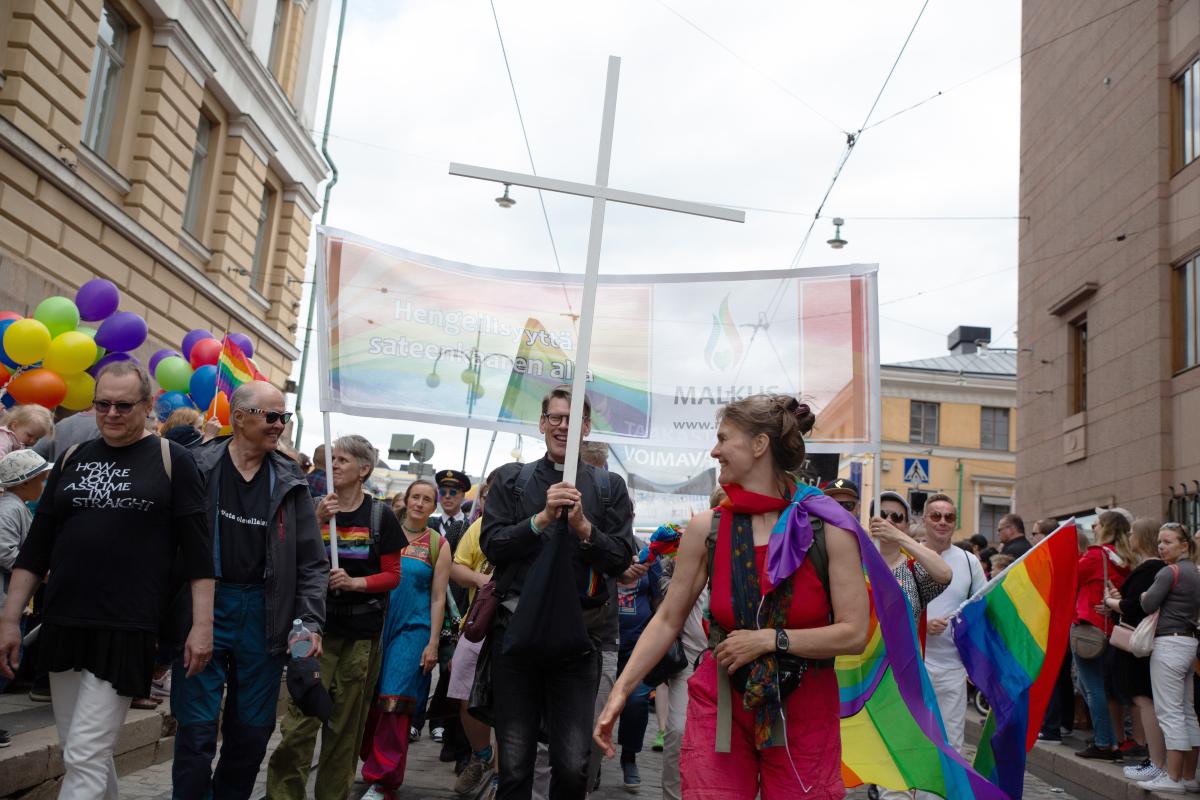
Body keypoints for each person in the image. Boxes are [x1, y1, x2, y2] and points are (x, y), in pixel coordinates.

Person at [595, 394, 869, 799]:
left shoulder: (830, 528)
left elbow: (854, 633)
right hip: (721, 699)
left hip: (804, 705)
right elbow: (669, 619)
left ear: (759, 445)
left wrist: (771, 639)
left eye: (724, 438)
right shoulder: (707, 529)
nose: (714, 450)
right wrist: (620, 691)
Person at [0, 361, 215, 797]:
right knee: (82, 750)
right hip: (63, 620)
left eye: (123, 405)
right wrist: (8, 621)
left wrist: (202, 626)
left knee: (84, 754)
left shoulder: (175, 461)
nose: (112, 414)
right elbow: (36, 547)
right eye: (102, 404)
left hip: (127, 627)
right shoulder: (71, 457)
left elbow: (198, 556)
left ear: (148, 405)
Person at [171, 381, 328, 798]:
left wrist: (308, 622)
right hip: (205, 606)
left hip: (265, 613)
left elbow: (313, 563)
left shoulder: (291, 480)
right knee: (196, 732)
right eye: (271, 416)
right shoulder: (197, 465)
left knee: (251, 733)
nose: (280, 425)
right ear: (239, 417)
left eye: (284, 417)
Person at [483, 386, 636, 799]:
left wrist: (585, 528)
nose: (563, 426)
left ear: (587, 427)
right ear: (542, 423)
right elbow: (493, 546)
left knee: (572, 767)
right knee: (514, 767)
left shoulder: (608, 487)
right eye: (555, 417)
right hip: (515, 638)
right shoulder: (511, 480)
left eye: (573, 419)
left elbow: (622, 560)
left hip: (579, 643)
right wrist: (541, 519)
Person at [266, 435, 404, 799]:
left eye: (343, 460)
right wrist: (314, 519)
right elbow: (285, 557)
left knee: (344, 728)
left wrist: (356, 582)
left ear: (364, 469)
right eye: (332, 459)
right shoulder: (312, 506)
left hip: (360, 636)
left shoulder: (380, 516)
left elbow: (393, 575)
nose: (335, 465)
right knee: (298, 725)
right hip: (311, 631)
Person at [360, 478, 451, 799]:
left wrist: (433, 643)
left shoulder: (438, 544)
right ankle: (370, 762)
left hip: (413, 630)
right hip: (373, 625)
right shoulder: (384, 532)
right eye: (415, 497)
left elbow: (439, 597)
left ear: (433, 505)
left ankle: (383, 779)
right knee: (365, 701)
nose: (420, 503)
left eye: (427, 499)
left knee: (394, 703)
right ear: (406, 499)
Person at [867, 491, 951, 800]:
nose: (888, 521)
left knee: (900, 778)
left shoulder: (914, 569)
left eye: (897, 517)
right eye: (883, 515)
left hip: (902, 681)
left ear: (905, 524)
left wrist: (903, 540)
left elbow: (944, 574)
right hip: (860, 678)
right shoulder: (854, 562)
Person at [1123, 522, 1200, 793]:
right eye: (1160, 541)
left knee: (1170, 712)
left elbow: (1146, 603)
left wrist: (1145, 594)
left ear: (1184, 546)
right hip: (1189, 643)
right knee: (1187, 711)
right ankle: (1189, 776)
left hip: (1168, 644)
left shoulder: (1170, 572)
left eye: (1168, 542)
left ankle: (1174, 778)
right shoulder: (1196, 572)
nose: (1162, 546)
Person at [1102, 518, 1167, 782]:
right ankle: (1156, 760)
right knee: (1145, 701)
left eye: (1133, 533)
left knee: (1144, 700)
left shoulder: (1149, 569)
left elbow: (1136, 606)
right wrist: (1119, 600)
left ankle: (1157, 761)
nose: (1129, 536)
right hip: (1145, 643)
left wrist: (1111, 601)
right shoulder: (1153, 569)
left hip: (1139, 646)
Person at [921, 494, 987, 754]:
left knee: (951, 744)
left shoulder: (970, 562)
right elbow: (890, 611)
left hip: (954, 668)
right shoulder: (909, 555)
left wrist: (976, 661)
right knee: (916, 741)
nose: (942, 522)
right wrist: (922, 625)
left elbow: (982, 606)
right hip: (916, 665)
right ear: (925, 519)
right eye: (936, 516)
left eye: (948, 517)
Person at [448, 470, 500, 797]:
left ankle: (504, 775)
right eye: (489, 494)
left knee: (512, 704)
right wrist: (481, 581)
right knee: (464, 695)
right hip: (476, 625)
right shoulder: (478, 528)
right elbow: (456, 566)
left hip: (515, 631)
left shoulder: (535, 528)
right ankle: (482, 756)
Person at [0, 448, 53, 747]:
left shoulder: (17, 506)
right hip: (4, 601)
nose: (43, 485)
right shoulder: (10, 509)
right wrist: (36, 570)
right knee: (5, 662)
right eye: (40, 479)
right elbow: (4, 549)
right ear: (23, 483)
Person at [1071, 509, 1133, 761]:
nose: (1093, 529)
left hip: (1088, 627)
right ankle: (1111, 740)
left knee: (1092, 686)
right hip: (1110, 629)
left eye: (1096, 525)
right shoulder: (1125, 558)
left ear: (1106, 528)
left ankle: (1104, 742)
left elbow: (1070, 576)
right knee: (1097, 686)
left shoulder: (1097, 556)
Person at [425, 468, 473, 754]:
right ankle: (416, 719)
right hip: (427, 603)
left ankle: (442, 723)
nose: (447, 497)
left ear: (463, 495)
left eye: (453, 492)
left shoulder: (470, 526)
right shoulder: (428, 523)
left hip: (457, 607)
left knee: (450, 669)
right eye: (442, 492)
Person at [613, 553, 665, 791]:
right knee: (596, 702)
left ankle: (629, 756)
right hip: (602, 641)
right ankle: (590, 763)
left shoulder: (648, 554)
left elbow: (658, 601)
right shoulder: (600, 547)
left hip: (637, 646)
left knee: (636, 701)